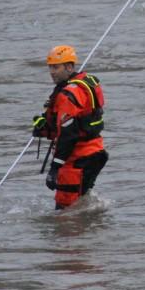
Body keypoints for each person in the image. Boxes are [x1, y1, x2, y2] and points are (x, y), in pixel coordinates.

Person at [32, 45, 108, 209]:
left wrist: (54, 169)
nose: (52, 71)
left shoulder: (68, 95)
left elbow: (68, 135)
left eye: (56, 67)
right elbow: (77, 122)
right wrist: (46, 127)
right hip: (95, 153)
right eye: (50, 67)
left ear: (69, 67)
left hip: (78, 159)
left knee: (65, 213)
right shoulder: (81, 85)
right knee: (79, 204)